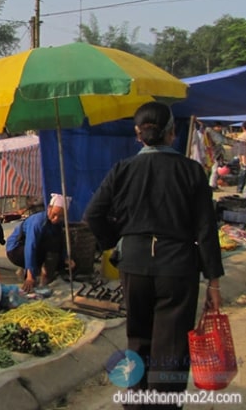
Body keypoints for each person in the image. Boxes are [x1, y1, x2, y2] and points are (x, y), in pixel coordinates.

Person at [83, 102, 223, 404]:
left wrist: (118, 242)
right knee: (171, 346)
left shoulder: (124, 168)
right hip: (178, 267)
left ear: (138, 135)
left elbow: (93, 214)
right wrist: (213, 280)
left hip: (134, 264)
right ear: (173, 133)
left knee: (138, 338)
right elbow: (206, 229)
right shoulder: (191, 170)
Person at [5, 193, 70, 292]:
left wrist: (66, 259)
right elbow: (30, 247)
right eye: (55, 214)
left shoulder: (57, 224)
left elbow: (61, 241)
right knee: (47, 246)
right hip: (16, 249)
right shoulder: (38, 222)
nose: (56, 218)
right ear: (49, 208)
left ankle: (45, 275)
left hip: (35, 247)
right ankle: (28, 270)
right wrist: (30, 276)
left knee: (55, 245)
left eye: (60, 216)